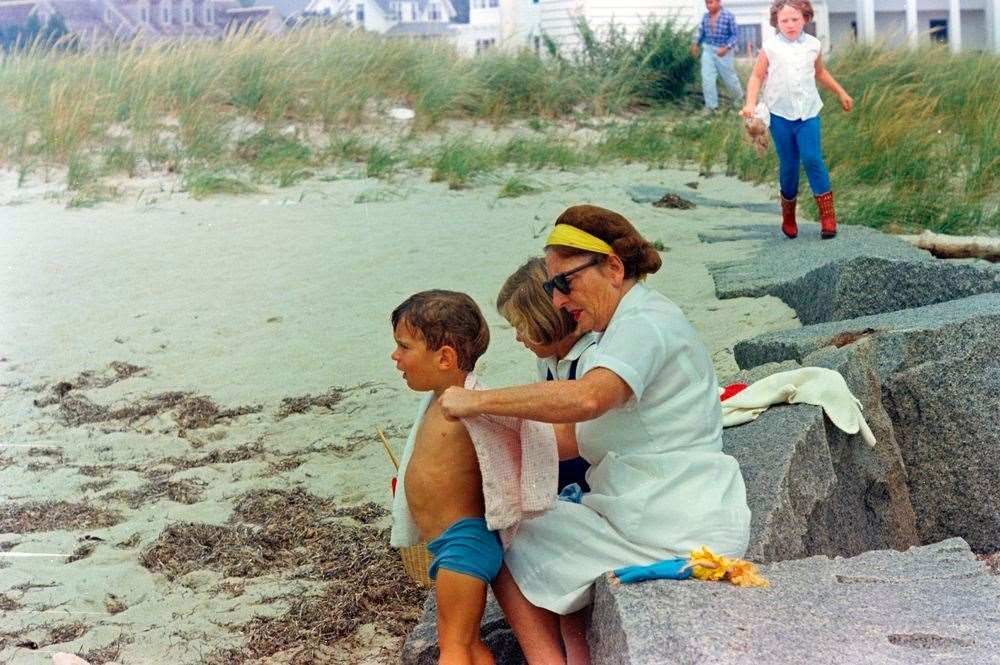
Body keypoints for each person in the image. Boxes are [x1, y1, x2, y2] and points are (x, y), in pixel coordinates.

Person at [440, 206, 751, 664]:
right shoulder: (631, 322)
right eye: (551, 288)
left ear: (613, 266)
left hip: (671, 523)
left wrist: (479, 403)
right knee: (520, 519)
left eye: (564, 283)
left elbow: (588, 399)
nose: (560, 301)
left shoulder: (643, 322)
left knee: (502, 525)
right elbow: (572, 433)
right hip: (652, 512)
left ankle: (543, 660)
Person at [388, 290, 499, 665]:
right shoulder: (441, 400)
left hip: (462, 545)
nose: (395, 357)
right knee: (468, 643)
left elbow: (503, 450)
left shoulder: (460, 405)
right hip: (456, 546)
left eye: (404, 347)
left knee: (452, 647)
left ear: (445, 357)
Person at [740, 0, 854, 239]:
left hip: (808, 113)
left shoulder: (813, 45)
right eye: (784, 20)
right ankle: (789, 216)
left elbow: (820, 73)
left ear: (805, 18)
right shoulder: (770, 47)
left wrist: (841, 92)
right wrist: (750, 103)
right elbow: (756, 76)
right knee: (789, 165)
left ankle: (828, 218)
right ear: (776, 22)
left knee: (813, 159)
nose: (790, 24)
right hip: (781, 116)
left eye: (795, 19)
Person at [496, 257, 598, 494]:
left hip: (592, 476)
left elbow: (585, 438)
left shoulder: (591, 359)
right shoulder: (548, 361)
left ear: (545, 317)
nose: (518, 338)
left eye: (520, 326)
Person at [690, 0, 745, 112]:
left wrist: (726, 47)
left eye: (711, 2)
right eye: (707, 3)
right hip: (708, 50)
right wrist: (696, 44)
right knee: (707, 78)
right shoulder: (705, 17)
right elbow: (701, 32)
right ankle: (711, 107)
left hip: (723, 50)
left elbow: (735, 35)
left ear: (719, 2)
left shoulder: (728, 16)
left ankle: (740, 100)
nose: (708, 5)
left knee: (730, 78)